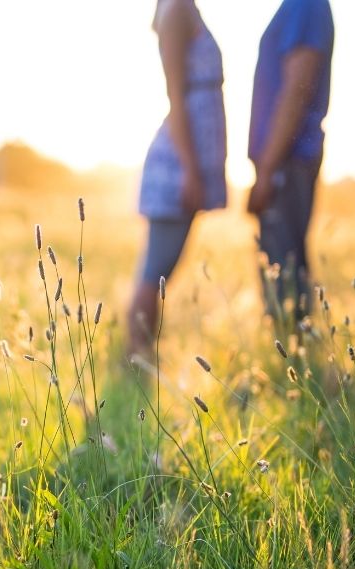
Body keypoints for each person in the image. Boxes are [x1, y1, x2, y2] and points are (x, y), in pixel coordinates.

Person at [130, 0, 228, 361]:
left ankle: (139, 355)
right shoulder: (176, 11)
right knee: (156, 269)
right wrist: (190, 169)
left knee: (159, 268)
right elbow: (176, 93)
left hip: (188, 160)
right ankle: (135, 356)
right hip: (179, 163)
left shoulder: (184, 8)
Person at [247, 0, 334, 324]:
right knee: (282, 265)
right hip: (284, 159)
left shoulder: (306, 5)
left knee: (284, 267)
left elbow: (297, 87)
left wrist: (268, 170)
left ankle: (294, 357)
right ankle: (290, 351)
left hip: (288, 160)